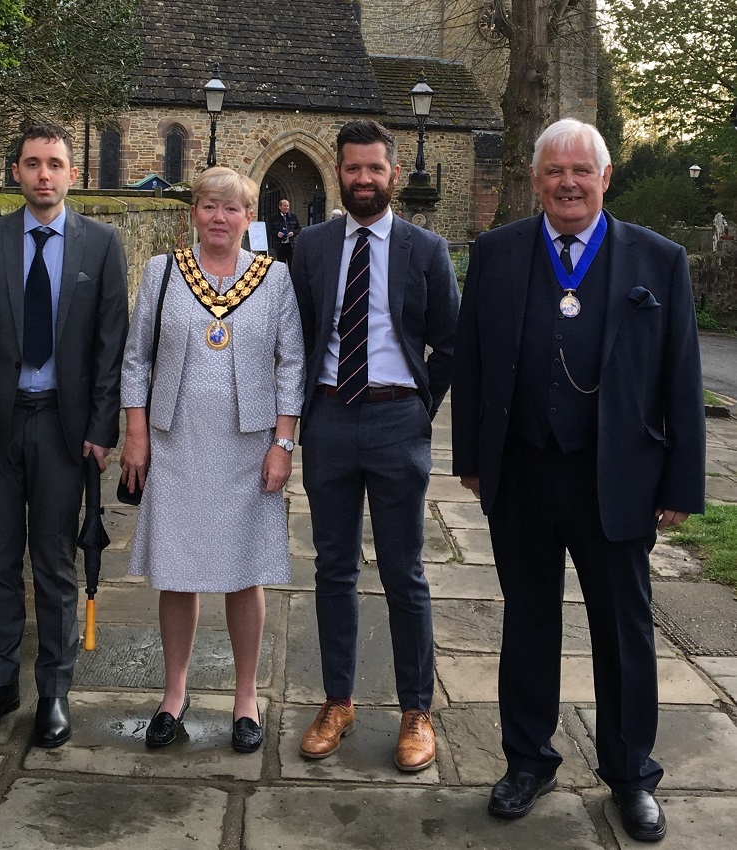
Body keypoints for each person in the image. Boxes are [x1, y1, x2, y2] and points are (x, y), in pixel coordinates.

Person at [451, 118, 705, 842]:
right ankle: (528, 760)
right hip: (523, 473)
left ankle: (631, 775)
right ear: (535, 179)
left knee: (623, 633)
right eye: (554, 170)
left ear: (605, 177)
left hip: (618, 479)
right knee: (528, 623)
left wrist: (681, 485)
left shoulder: (658, 262)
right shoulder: (497, 254)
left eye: (581, 171)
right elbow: (469, 361)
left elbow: (681, 376)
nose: (568, 182)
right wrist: (472, 455)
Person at [0, 123, 129, 748]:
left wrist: (102, 430)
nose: (44, 175)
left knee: (54, 564)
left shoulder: (102, 245)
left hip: (62, 429)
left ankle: (54, 691)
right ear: (17, 172)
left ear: (72, 173)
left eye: (55, 163)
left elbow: (111, 348)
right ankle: (0, 684)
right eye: (33, 164)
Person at [291, 119, 459, 772]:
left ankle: (416, 710)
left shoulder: (426, 250)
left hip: (397, 421)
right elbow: (299, 337)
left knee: (403, 571)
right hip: (329, 419)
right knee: (332, 568)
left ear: (392, 172)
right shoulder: (310, 247)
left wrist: (420, 411)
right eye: (352, 168)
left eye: (374, 168)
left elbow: (450, 343)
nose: (364, 179)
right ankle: (338, 700)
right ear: (339, 172)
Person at [119, 167, 304, 753]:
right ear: (192, 212)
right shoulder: (162, 273)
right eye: (208, 207)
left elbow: (291, 365)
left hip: (248, 448)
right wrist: (137, 434)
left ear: (250, 217)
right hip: (175, 442)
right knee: (177, 570)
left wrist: (282, 443)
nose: (219, 218)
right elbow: (136, 361)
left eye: (232, 209)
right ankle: (174, 694)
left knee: (243, 571)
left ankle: (245, 698)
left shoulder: (273, 279)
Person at [269, 198, 301, 267]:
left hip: (291, 245)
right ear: (280, 207)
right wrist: (277, 233)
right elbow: (270, 230)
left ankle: (291, 278)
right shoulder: (274, 218)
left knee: (292, 265)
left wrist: (293, 233)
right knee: (281, 265)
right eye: (284, 206)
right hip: (280, 246)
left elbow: (299, 228)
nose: (286, 207)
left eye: (287, 206)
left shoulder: (293, 217)